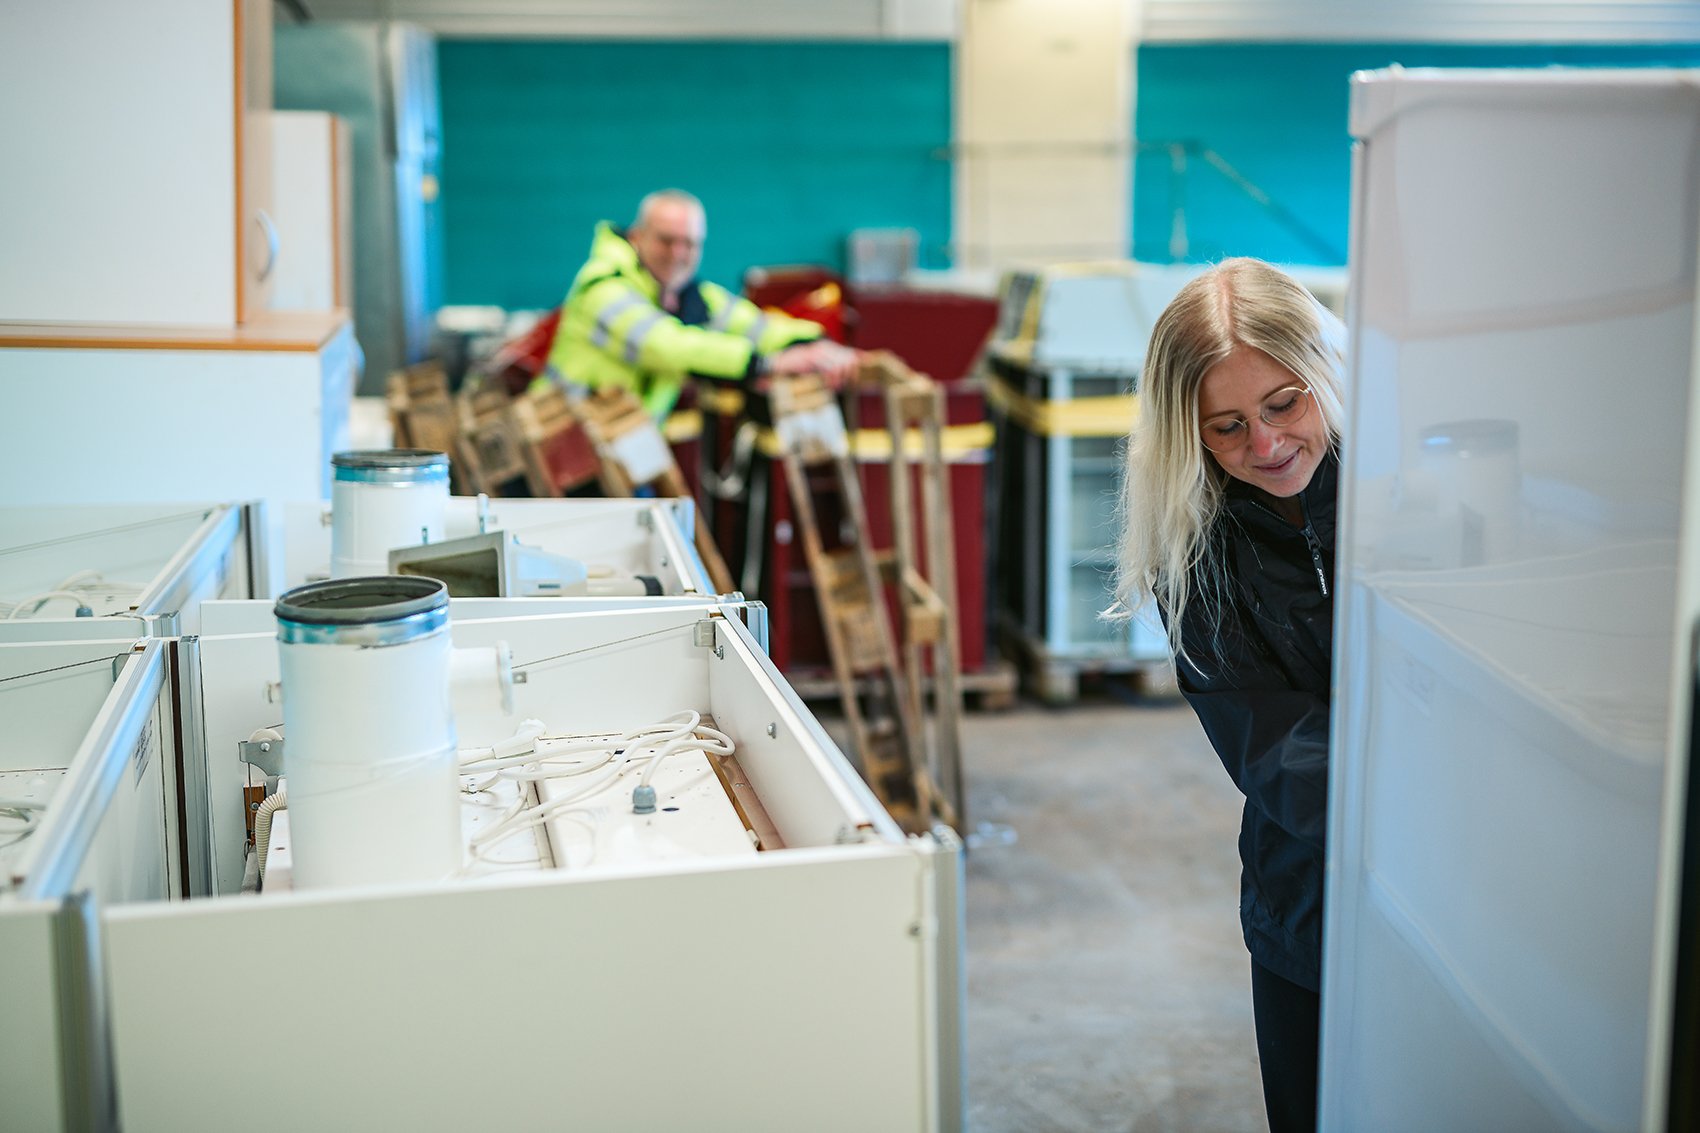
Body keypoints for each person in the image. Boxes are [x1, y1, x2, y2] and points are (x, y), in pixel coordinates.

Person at [1111, 258, 1346, 1133]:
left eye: (1286, 403)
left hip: (1464, 897)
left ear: (1325, 371)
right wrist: (1413, 816)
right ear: (1189, 433)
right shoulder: (1196, 550)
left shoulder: (1412, 493)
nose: (1268, 444)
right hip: (1307, 909)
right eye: (1227, 426)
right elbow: (1277, 748)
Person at [544, 188, 859, 419]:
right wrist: (767, 364)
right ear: (637, 237)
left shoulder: (688, 296)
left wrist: (816, 346)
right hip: (558, 448)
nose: (678, 254)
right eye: (666, 240)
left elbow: (756, 326)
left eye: (690, 244)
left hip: (620, 451)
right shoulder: (604, 285)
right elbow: (665, 345)